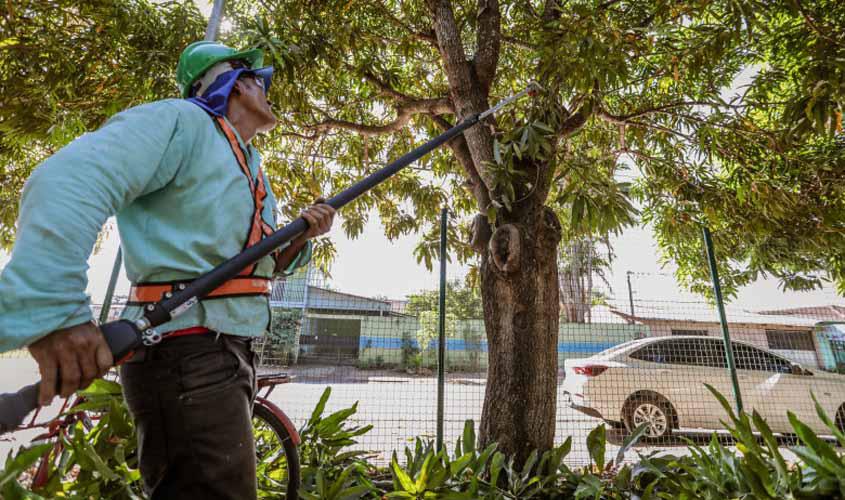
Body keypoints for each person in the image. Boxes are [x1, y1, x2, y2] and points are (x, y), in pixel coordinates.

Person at [0, 40, 336, 498]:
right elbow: (65, 181)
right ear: (230, 82)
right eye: (256, 77)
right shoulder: (180, 122)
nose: (265, 86)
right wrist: (55, 309)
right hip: (185, 357)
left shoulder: (250, 165)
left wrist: (301, 237)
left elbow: (260, 265)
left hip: (222, 352)